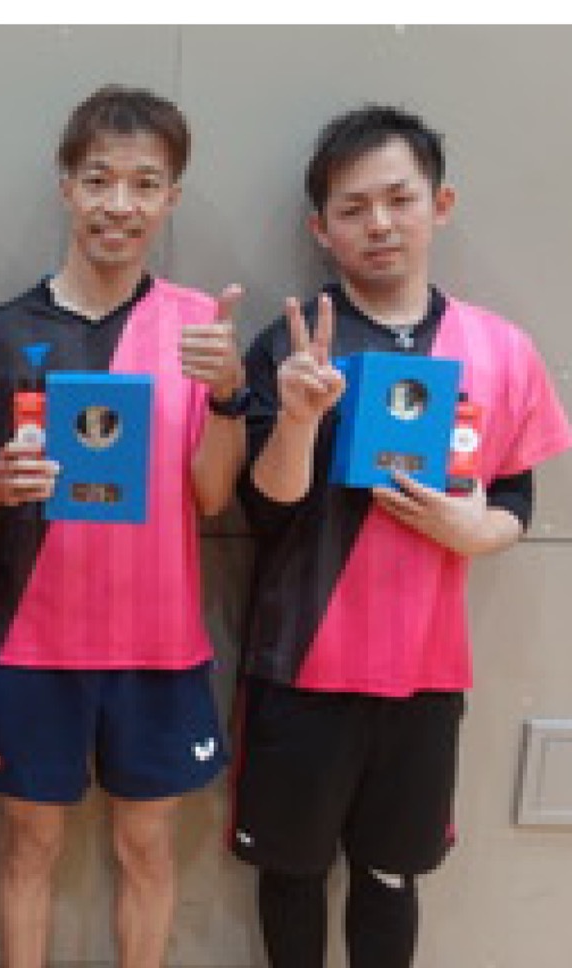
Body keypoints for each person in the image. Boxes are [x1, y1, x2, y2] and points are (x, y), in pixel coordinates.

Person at [230, 104, 572, 968]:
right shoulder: (293, 346)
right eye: (353, 208)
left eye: (399, 199)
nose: (379, 223)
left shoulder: (500, 349)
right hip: (300, 667)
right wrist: (299, 417)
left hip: (425, 674)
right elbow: (264, 511)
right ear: (321, 228)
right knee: (291, 873)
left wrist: (478, 528)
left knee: (392, 874)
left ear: (440, 205)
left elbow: (517, 494)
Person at [0, 86, 246, 968]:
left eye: (144, 184)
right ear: (66, 187)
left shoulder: (200, 329)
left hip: (159, 644)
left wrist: (228, 396)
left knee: (147, 850)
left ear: (171, 198)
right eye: (98, 179)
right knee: (28, 848)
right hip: (32, 642)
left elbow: (213, 497)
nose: (119, 204)